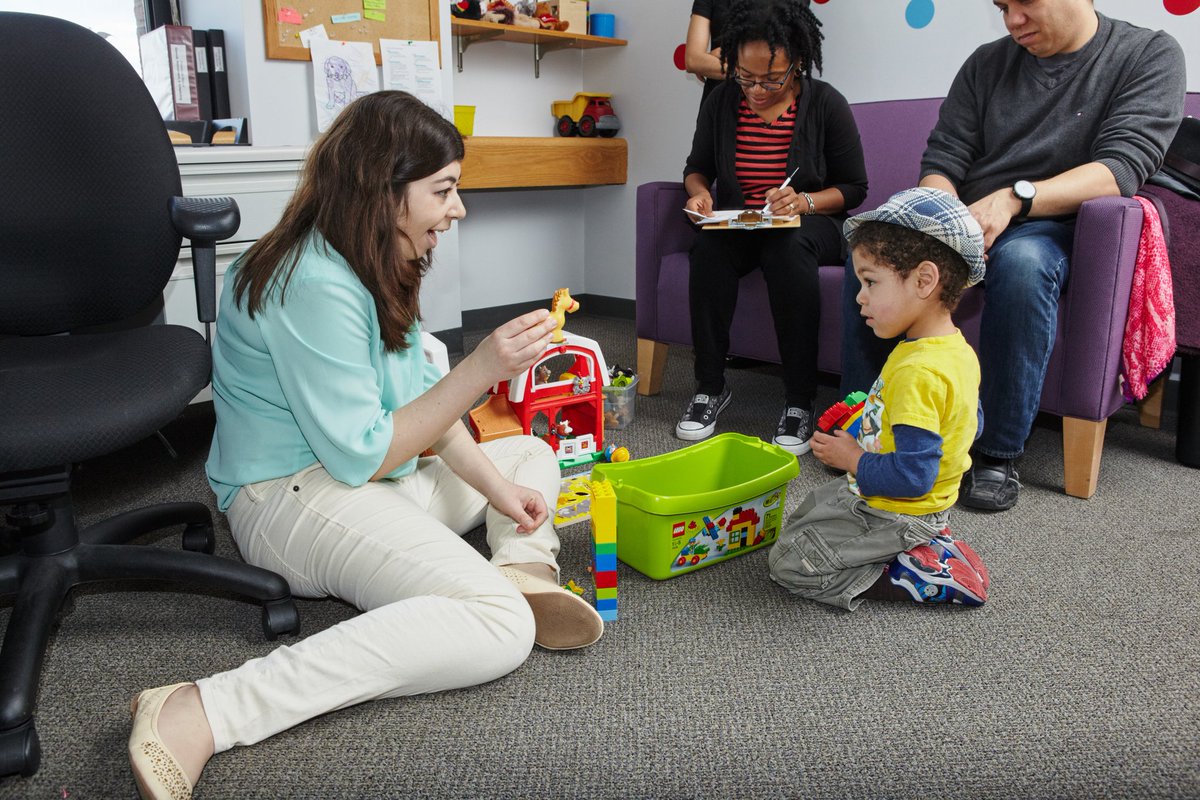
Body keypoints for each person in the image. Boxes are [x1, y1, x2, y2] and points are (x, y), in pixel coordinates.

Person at [126, 91, 603, 800]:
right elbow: (362, 454)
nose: (458, 209)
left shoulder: (379, 260)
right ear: (384, 191)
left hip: (368, 480)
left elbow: (425, 415)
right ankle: (204, 708)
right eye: (444, 190)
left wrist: (503, 496)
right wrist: (480, 371)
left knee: (529, 457)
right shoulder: (309, 280)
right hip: (291, 497)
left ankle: (522, 568)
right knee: (497, 632)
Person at [839, 0, 1187, 511]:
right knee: (879, 260)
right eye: (1002, 7)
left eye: (1025, 3)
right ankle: (862, 427)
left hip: (1059, 225)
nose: (1012, 20)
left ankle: (998, 453)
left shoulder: (1148, 53)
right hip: (968, 217)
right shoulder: (986, 63)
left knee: (1022, 265)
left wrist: (1014, 198)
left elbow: (1120, 167)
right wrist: (939, 220)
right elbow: (944, 157)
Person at [769, 187, 990, 610]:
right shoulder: (955, 350)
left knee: (788, 563)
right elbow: (969, 423)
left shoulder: (917, 370)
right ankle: (925, 540)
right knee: (806, 515)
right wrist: (876, 424)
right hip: (906, 501)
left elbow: (913, 478)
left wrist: (852, 457)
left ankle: (915, 573)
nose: (860, 296)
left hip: (901, 510)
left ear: (925, 280)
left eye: (871, 282)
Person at [679, 0, 867, 455]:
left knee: (787, 246)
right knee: (707, 250)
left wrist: (805, 200)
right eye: (745, 76)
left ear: (797, 64)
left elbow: (854, 188)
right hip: (742, 221)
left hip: (813, 223)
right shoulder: (723, 101)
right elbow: (696, 167)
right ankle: (709, 386)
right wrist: (699, 194)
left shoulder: (825, 103)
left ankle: (799, 400)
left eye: (772, 78)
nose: (757, 89)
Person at [684, 0, 812, 111]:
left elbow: (790, 58)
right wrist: (758, 72)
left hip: (776, 109)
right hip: (720, 108)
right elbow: (693, 60)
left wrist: (723, 62)